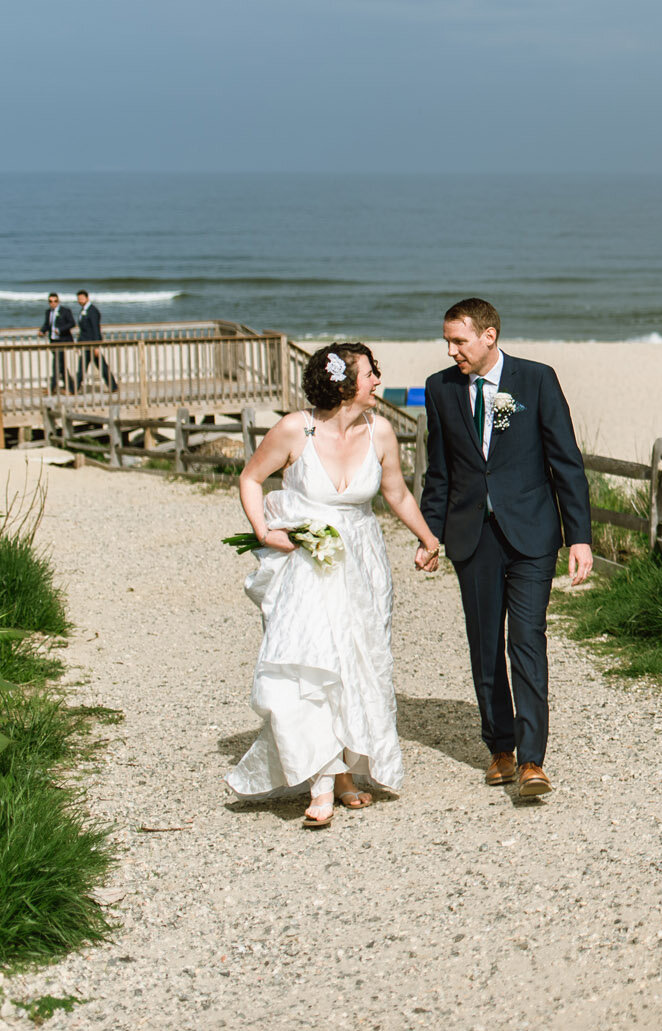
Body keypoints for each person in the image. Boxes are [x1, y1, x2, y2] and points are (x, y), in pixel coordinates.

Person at [229, 342, 442, 826]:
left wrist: (429, 538)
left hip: (363, 563)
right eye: (370, 374)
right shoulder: (293, 429)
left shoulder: (381, 430)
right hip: (307, 564)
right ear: (344, 384)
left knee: (355, 668)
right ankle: (321, 782)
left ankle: (344, 771)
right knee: (312, 666)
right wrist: (265, 531)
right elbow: (250, 478)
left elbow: (397, 493)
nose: (377, 381)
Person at [421, 298, 592, 800]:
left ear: (489, 336)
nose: (453, 351)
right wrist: (431, 535)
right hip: (471, 536)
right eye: (448, 341)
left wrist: (579, 535)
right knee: (484, 644)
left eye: (460, 341)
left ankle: (533, 759)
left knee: (527, 638)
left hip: (533, 534)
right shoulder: (440, 389)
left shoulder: (537, 380)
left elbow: (567, 462)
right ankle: (499, 746)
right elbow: (439, 472)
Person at [71, 290, 117, 393]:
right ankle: (113, 386)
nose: (80, 300)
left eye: (82, 298)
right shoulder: (83, 310)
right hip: (86, 344)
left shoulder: (92, 310)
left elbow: (96, 329)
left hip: (92, 344)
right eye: (78, 299)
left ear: (87, 298)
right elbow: (83, 330)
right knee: (86, 367)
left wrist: (96, 345)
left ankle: (75, 389)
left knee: (97, 366)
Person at [37, 293, 75, 395]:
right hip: (53, 341)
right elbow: (47, 324)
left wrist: (60, 330)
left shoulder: (65, 311)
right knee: (61, 365)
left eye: (55, 301)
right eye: (50, 301)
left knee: (56, 364)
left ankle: (52, 388)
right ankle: (71, 387)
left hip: (63, 341)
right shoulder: (48, 312)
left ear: (58, 301)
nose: (53, 303)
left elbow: (72, 323)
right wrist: (42, 331)